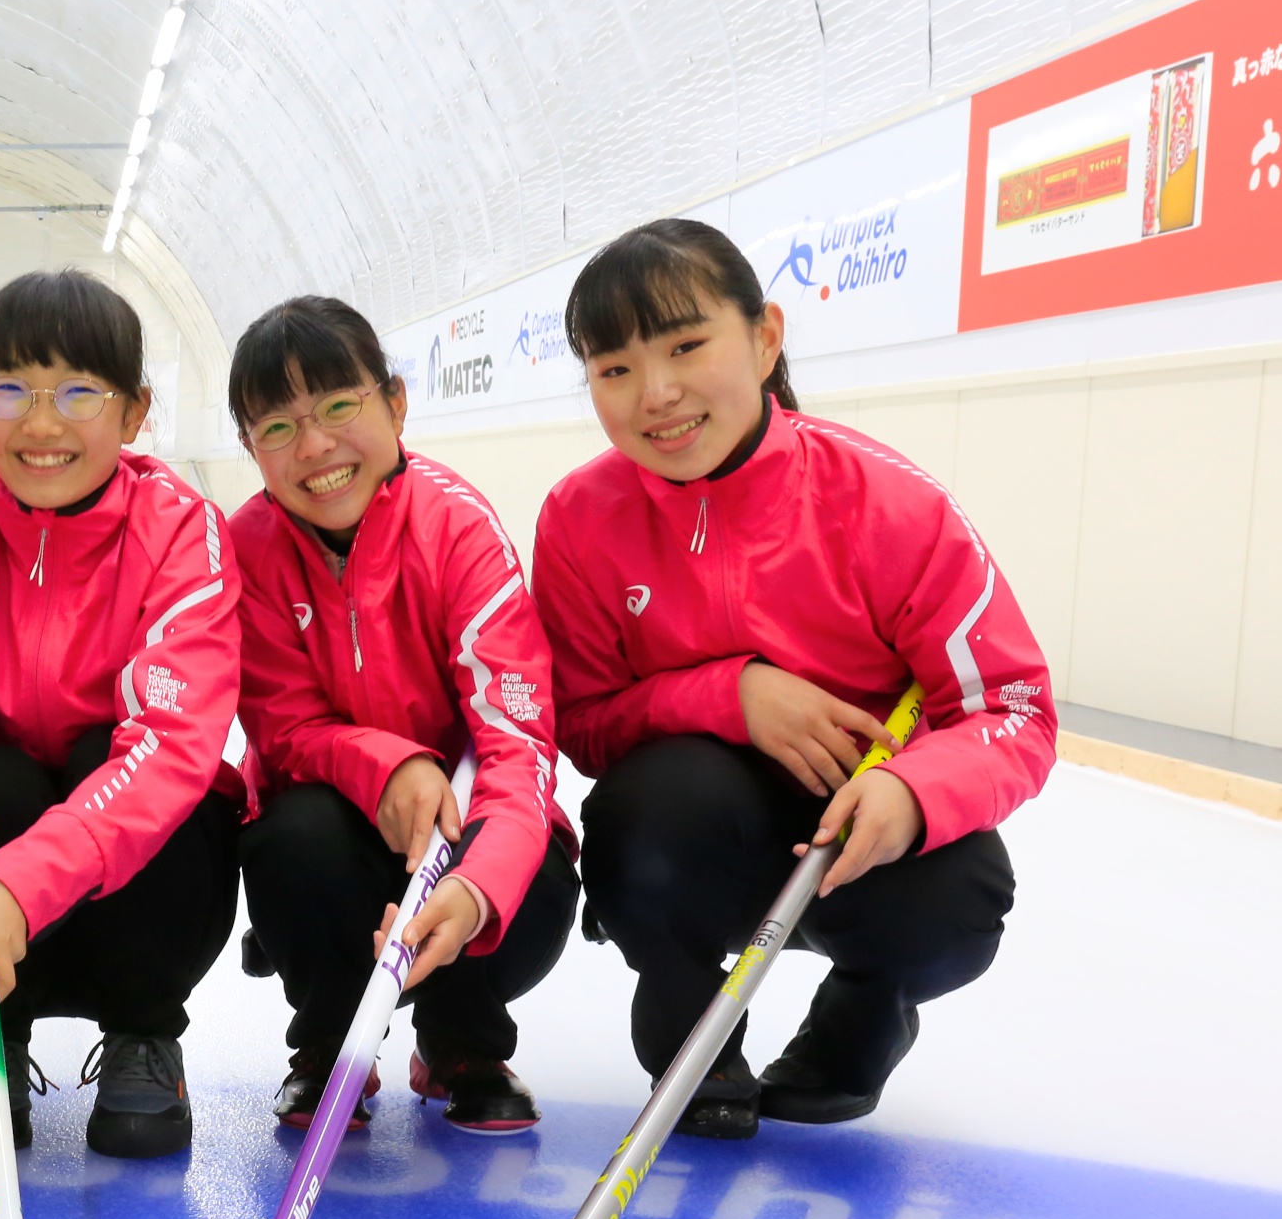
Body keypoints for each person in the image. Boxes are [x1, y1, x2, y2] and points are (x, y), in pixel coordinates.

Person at [533, 218, 1052, 1139]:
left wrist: (912, 791)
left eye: (685, 346)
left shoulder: (887, 502)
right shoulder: (580, 517)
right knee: (645, 813)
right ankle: (692, 1037)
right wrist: (728, 695)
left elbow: (1012, 708)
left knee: (958, 895)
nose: (655, 393)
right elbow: (578, 719)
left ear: (764, 336)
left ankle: (857, 1023)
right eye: (613, 369)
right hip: (702, 833)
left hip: (856, 835)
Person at [0, 270, 241, 1160]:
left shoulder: (179, 529)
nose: (41, 425)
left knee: (123, 772)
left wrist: (22, 882)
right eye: (11, 390)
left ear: (134, 411)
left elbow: (169, 745)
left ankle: (143, 1031)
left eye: (78, 392)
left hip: (119, 876)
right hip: (0, 845)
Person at [228, 296, 579, 1135]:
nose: (314, 447)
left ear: (394, 402)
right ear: (249, 447)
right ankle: (329, 1046)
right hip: (337, 838)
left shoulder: (458, 528)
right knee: (291, 839)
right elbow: (282, 728)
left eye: (337, 407)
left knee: (528, 873)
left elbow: (517, 744)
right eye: (276, 427)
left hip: (459, 827)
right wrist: (389, 765)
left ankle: (463, 1044)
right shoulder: (244, 548)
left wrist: (475, 886)